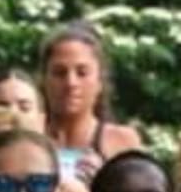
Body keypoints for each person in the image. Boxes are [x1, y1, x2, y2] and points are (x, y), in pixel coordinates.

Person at [39, 22, 140, 183]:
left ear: (100, 81)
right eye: (60, 73)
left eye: (82, 73)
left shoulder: (121, 141)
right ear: (44, 80)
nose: (71, 83)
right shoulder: (27, 133)